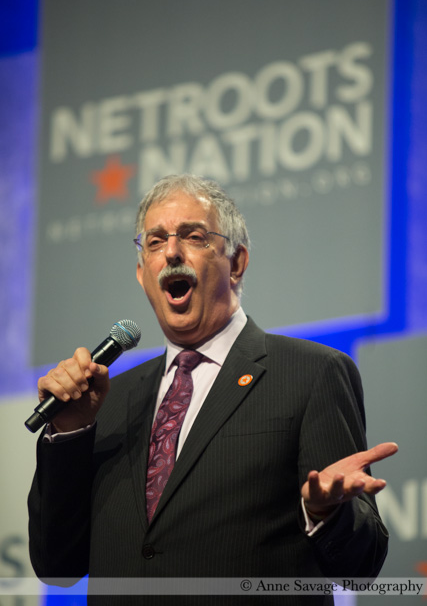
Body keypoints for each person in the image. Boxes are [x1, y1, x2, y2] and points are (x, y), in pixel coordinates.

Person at [28, 174, 397, 605]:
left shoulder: (310, 373)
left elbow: (361, 567)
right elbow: (57, 566)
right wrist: (71, 432)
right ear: (142, 274)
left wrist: (325, 513)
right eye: (155, 241)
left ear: (236, 262)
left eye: (193, 236)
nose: (171, 252)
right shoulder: (106, 402)